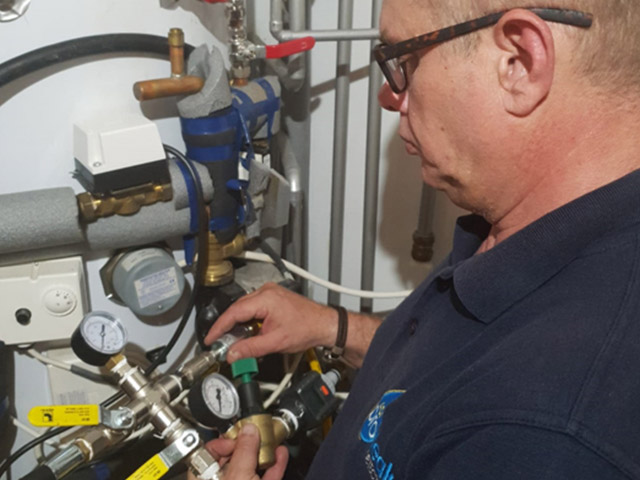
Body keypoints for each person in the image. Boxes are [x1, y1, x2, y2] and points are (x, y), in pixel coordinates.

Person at [198, 0, 640, 478]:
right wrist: (336, 328)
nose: (388, 96)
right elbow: (452, 377)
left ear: (520, 61)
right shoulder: (522, 224)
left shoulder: (547, 441)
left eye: (403, 60)